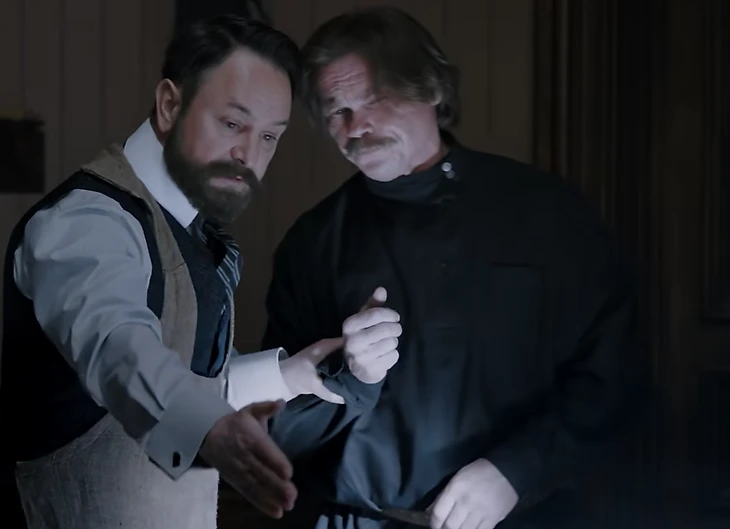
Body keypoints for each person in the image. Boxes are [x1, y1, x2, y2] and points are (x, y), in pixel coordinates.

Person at [260, 6, 643, 529]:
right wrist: (348, 377)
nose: (356, 127)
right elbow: (277, 429)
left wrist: (515, 470)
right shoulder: (312, 244)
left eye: (374, 100)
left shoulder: (547, 215)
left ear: (433, 89)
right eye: (337, 111)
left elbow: (614, 378)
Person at [0, 14, 345, 529]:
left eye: (270, 136)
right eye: (232, 124)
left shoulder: (190, 229)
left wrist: (288, 374)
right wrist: (206, 428)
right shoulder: (87, 221)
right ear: (169, 104)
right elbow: (117, 346)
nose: (249, 156)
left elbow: (187, 379)